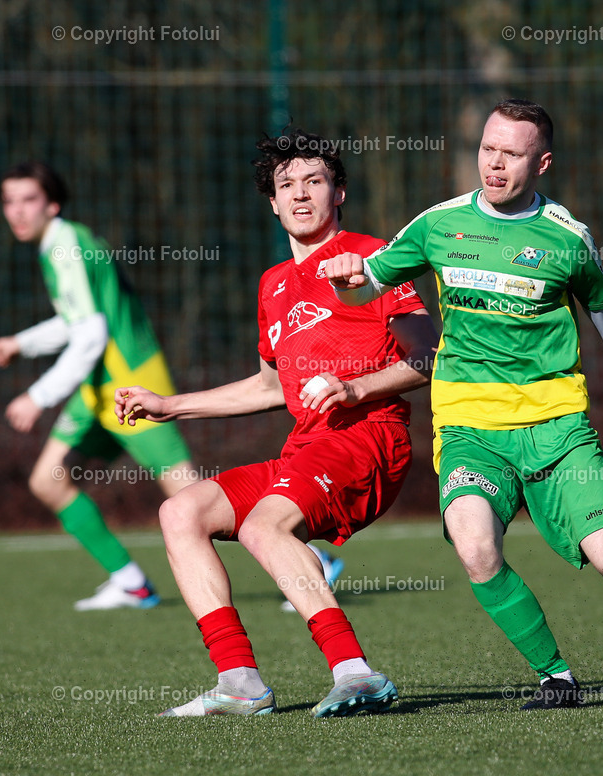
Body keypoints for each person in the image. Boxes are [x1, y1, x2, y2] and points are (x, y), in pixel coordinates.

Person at [325, 99, 603, 708]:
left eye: (511, 154)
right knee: (476, 546)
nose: (494, 163)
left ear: (542, 164)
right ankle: (556, 678)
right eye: (488, 149)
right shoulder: (438, 224)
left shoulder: (567, 238)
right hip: (468, 425)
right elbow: (368, 289)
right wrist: (347, 277)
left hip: (557, 428)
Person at [114, 129, 438, 717]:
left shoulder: (372, 256)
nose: (300, 194)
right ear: (272, 202)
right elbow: (269, 387)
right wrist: (170, 404)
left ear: (338, 191)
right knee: (180, 511)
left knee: (265, 527)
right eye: (286, 185)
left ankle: (356, 674)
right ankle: (239, 682)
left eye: (314, 180)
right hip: (307, 447)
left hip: (370, 436)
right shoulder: (272, 285)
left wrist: (353, 387)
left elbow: (427, 358)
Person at [0, 161, 199, 611]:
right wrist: (21, 343)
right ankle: (131, 582)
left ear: (53, 204)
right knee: (48, 480)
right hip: (99, 386)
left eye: (29, 200)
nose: (17, 212)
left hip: (131, 385)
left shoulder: (65, 247)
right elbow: (76, 322)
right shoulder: (60, 244)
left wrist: (37, 396)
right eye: (9, 201)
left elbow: (90, 335)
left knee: (195, 498)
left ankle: (309, 562)